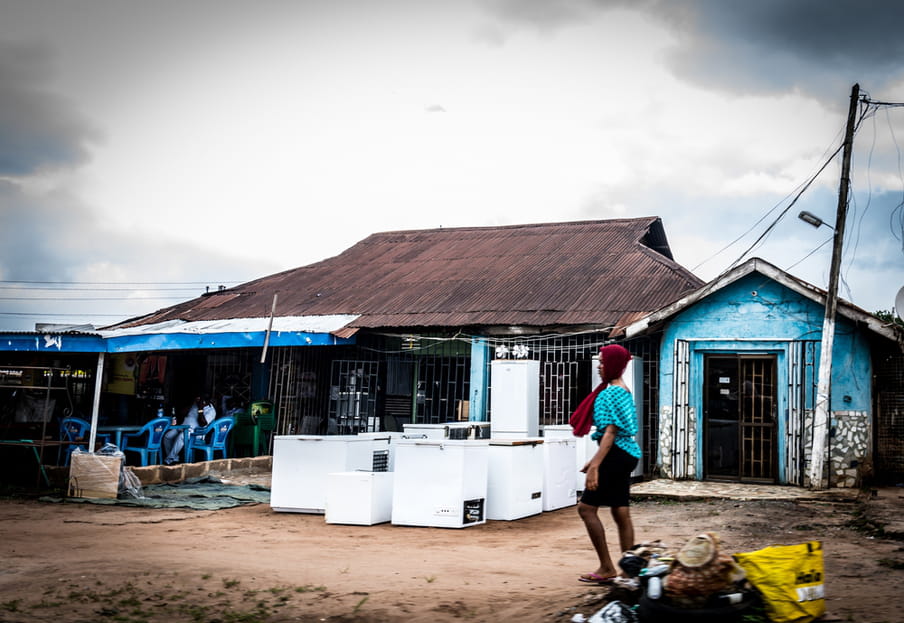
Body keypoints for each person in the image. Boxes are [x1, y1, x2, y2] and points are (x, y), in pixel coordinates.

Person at [577, 344, 642, 585]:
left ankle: (607, 567)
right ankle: (630, 569)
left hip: (616, 452)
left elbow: (611, 432)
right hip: (626, 453)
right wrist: (594, 461)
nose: (599, 366)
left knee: (586, 509)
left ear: (613, 364)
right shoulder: (622, 389)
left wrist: (595, 466)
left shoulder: (610, 393)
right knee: (620, 510)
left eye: (603, 362)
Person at [162, 396, 216, 465]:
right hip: (182, 428)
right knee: (167, 436)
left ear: (206, 401)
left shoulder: (211, 410)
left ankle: (169, 460)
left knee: (182, 436)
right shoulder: (195, 405)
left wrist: (200, 409)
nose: (198, 400)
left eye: (200, 399)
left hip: (195, 434)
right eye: (198, 398)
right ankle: (174, 458)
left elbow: (202, 423)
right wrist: (192, 404)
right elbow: (182, 413)